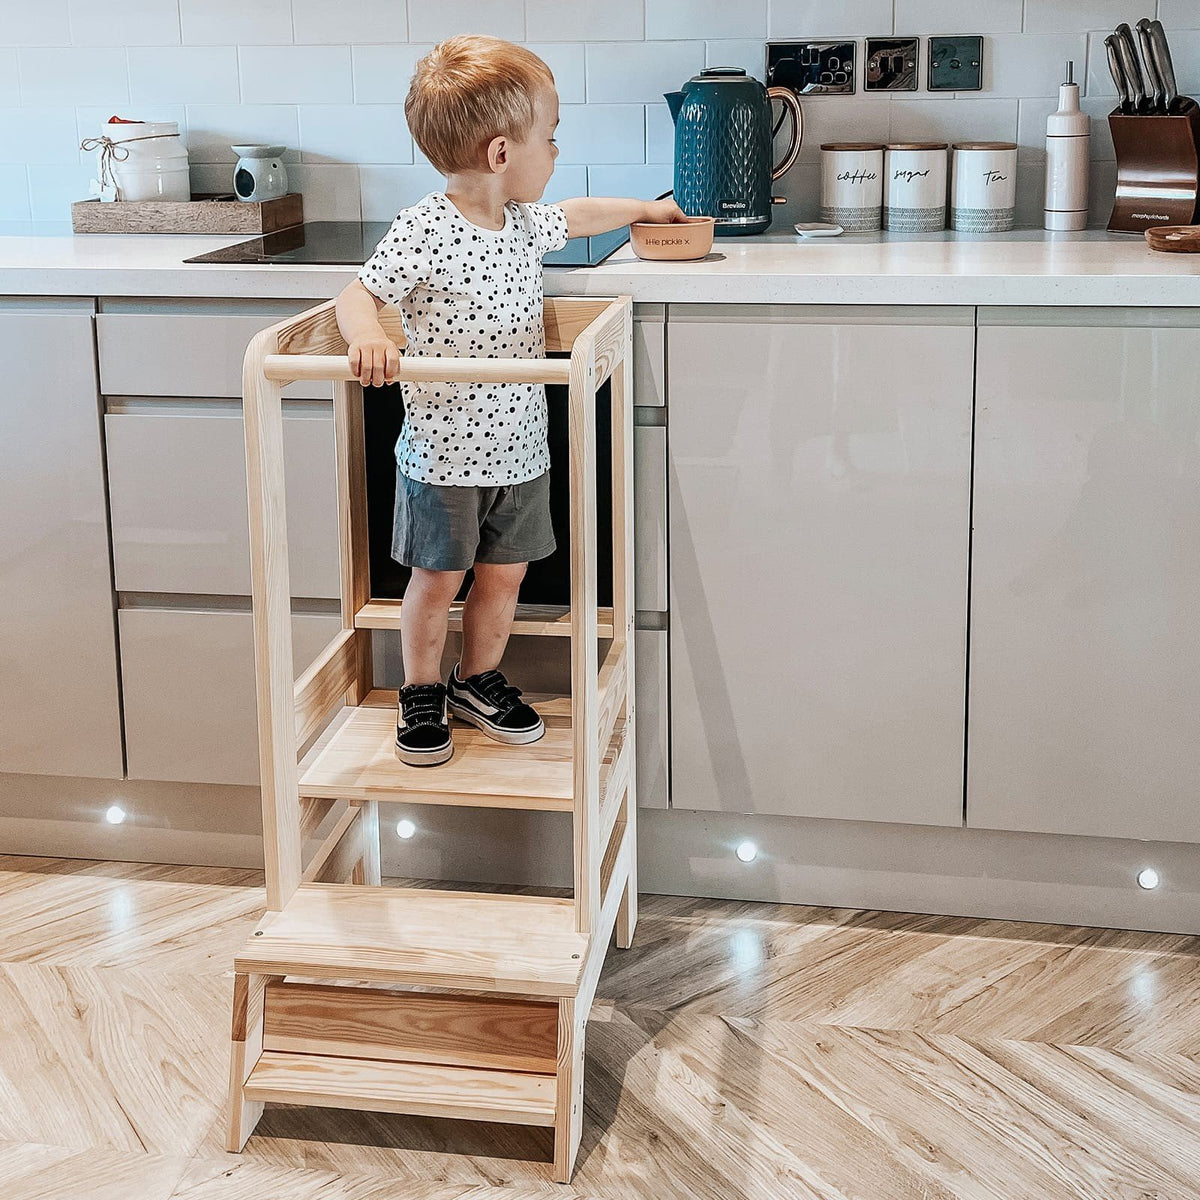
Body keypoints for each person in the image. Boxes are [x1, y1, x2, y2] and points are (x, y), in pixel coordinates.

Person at [335, 34, 685, 765]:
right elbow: (356, 293)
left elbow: (582, 213)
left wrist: (654, 210)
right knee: (437, 579)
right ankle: (422, 687)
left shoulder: (522, 225)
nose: (555, 154)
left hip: (521, 450)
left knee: (505, 575)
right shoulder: (427, 227)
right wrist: (368, 336)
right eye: (549, 140)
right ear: (501, 155)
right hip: (442, 457)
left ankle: (478, 677)